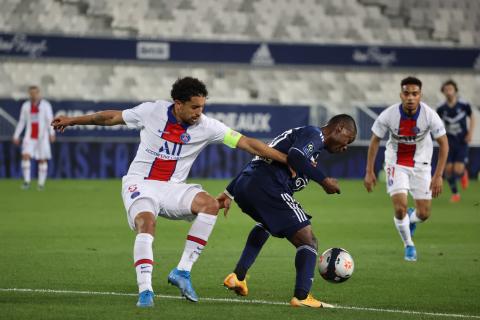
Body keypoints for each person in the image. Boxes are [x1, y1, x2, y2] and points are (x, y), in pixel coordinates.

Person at [51, 77, 287, 308]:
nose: (199, 112)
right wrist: (72, 120)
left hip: (172, 188)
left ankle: (182, 271)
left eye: (202, 107)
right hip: (140, 183)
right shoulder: (151, 111)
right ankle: (145, 291)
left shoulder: (207, 126)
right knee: (147, 223)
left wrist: (285, 160)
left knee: (210, 205)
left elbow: (248, 143)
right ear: (178, 104)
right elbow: (110, 117)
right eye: (194, 107)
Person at [216, 114, 357, 308]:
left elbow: (261, 156)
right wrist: (324, 181)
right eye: (348, 139)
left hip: (247, 186)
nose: (346, 147)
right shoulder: (315, 134)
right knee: (308, 240)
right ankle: (302, 296)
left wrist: (230, 191)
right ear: (339, 128)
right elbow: (296, 156)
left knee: (266, 224)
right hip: (268, 187)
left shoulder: (308, 143)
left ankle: (238, 277)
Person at [363, 76, 448, 262]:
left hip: (422, 165)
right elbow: (375, 140)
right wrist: (369, 171)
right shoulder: (389, 115)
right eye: (407, 93)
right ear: (401, 95)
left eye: (415, 94)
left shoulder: (429, 115)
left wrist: (438, 175)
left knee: (424, 214)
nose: (410, 97)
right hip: (396, 163)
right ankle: (409, 245)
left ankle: (412, 217)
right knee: (399, 208)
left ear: (420, 95)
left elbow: (444, 144)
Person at [436, 80, 475, 203]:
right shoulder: (441, 108)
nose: (448, 92)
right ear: (443, 92)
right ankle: (455, 194)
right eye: (446, 89)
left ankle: (463, 173)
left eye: (450, 89)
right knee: (447, 170)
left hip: (461, 141)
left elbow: (472, 117)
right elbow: (436, 123)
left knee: (457, 170)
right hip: (448, 143)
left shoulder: (464, 105)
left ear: (455, 90)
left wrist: (470, 133)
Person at [13, 85, 55, 190]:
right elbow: (22, 122)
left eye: (35, 93)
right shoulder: (26, 106)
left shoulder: (46, 105)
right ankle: (27, 182)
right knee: (25, 156)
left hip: (42, 137)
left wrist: (52, 133)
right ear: (29, 94)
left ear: (39, 93)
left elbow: (50, 120)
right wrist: (16, 135)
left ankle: (41, 184)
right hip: (30, 136)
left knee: (42, 160)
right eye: (31, 93)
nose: (33, 95)